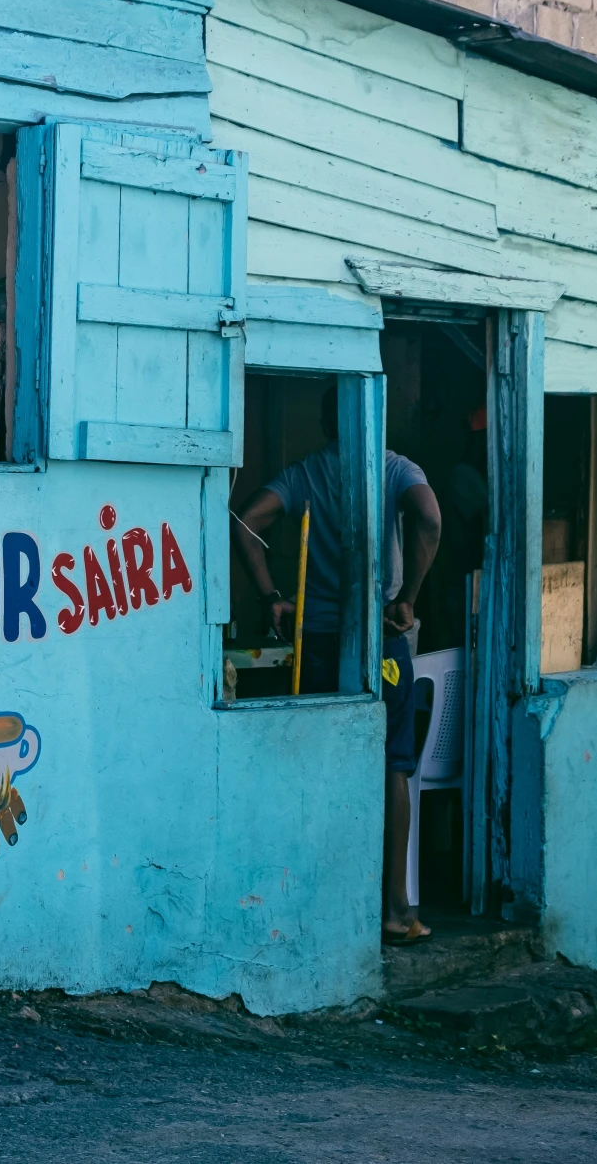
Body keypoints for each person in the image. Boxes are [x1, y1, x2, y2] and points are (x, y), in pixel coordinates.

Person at [231, 385, 443, 943]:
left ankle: (318, 908)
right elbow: (430, 520)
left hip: (318, 643)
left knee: (318, 766)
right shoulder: (394, 468)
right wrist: (409, 598)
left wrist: (271, 596)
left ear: (327, 423)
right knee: (392, 767)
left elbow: (246, 521)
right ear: (371, 420)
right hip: (382, 642)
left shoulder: (303, 476)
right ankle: (395, 910)